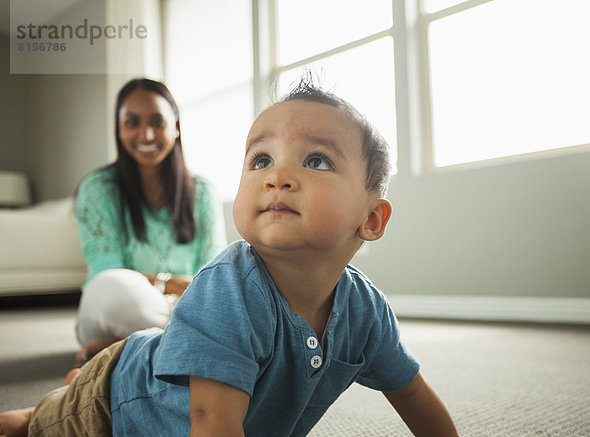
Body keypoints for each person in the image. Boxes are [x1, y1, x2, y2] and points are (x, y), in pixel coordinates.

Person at [0, 78, 458, 437]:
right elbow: (212, 422)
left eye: (316, 160)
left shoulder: (367, 312)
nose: (277, 175)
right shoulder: (231, 288)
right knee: (44, 426)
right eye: (260, 160)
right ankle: (49, 402)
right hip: (116, 398)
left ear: (372, 219)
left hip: (173, 321)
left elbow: (412, 391)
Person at [73, 78, 226, 364]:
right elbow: (107, 271)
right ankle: (175, 347)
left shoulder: (203, 192)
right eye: (132, 123)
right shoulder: (97, 188)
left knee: (229, 300)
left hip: (186, 308)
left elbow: (213, 275)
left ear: (176, 126)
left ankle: (120, 352)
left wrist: (185, 296)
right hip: (118, 308)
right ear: (119, 130)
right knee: (112, 289)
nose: (145, 134)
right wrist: (169, 284)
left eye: (157, 121)